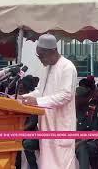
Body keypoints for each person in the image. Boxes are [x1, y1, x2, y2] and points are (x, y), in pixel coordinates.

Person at [21, 33, 77, 169]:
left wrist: (37, 102)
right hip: (46, 126)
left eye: (42, 56)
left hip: (61, 126)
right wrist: (23, 98)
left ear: (53, 51)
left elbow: (65, 95)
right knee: (46, 164)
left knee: (62, 165)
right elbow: (40, 91)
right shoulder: (46, 67)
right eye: (38, 56)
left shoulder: (67, 67)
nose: (40, 60)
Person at [75, 86, 98, 169]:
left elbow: (94, 133)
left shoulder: (94, 111)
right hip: (73, 143)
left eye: (77, 98)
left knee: (83, 148)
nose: (74, 100)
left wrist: (78, 143)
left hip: (91, 143)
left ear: (86, 98)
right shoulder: (69, 111)